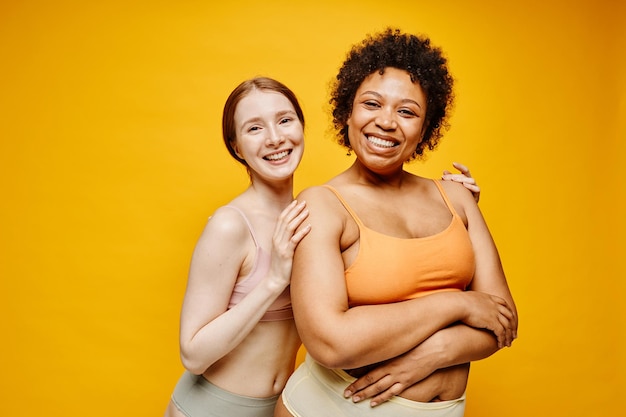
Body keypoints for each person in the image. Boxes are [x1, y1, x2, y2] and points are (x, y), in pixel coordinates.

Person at [163, 77, 482, 417]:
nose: (275, 138)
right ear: (237, 145)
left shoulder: (313, 212)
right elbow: (193, 354)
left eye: (285, 120)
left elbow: (381, 286)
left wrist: (454, 212)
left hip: (285, 402)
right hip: (215, 407)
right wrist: (273, 280)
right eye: (254, 128)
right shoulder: (231, 224)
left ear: (302, 127)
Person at [275, 28, 518, 417]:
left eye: (406, 111)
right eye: (371, 104)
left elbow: (503, 320)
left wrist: (433, 354)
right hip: (333, 406)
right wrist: (458, 304)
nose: (386, 122)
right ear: (348, 112)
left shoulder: (455, 198)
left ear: (425, 128)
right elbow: (330, 342)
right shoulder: (322, 205)